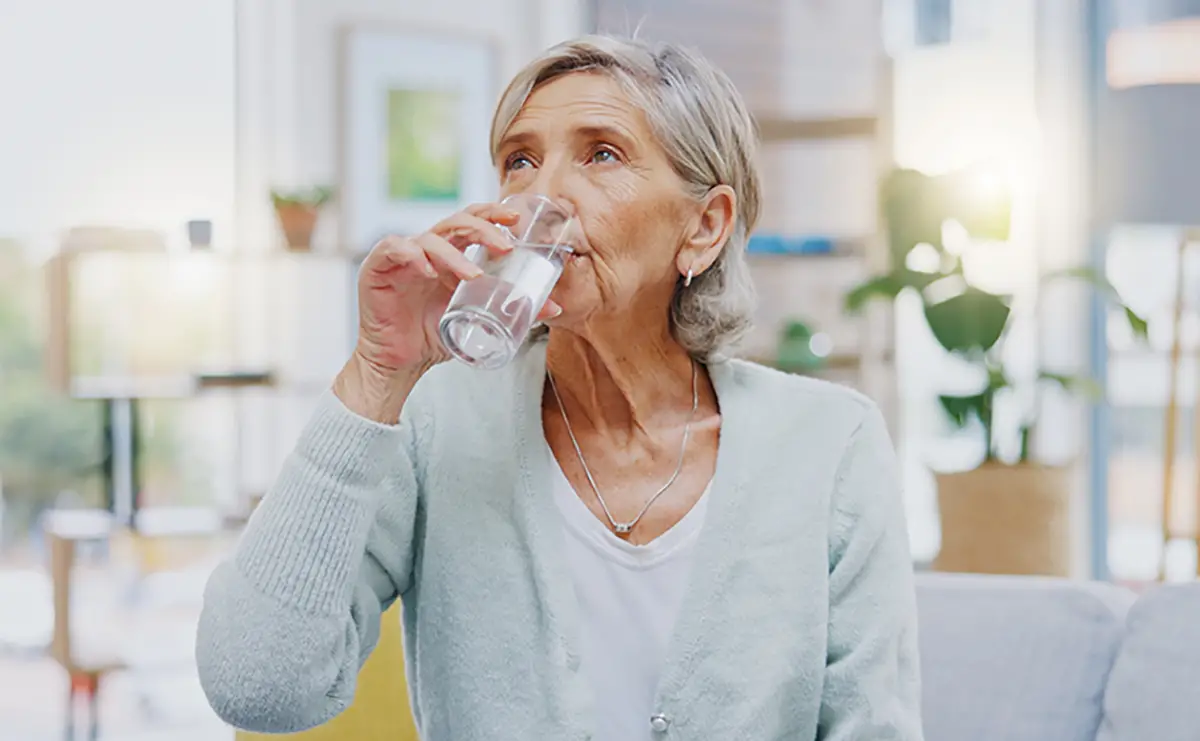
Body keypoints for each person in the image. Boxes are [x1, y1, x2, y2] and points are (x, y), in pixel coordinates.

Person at [196, 34, 923, 741]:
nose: (541, 194)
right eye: (519, 161)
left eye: (601, 153)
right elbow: (258, 683)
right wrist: (377, 371)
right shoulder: (437, 422)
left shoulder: (832, 444)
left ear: (704, 226)